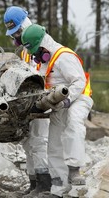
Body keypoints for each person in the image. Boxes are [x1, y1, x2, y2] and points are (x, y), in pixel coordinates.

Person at [21, 24, 93, 197]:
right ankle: (58, 188)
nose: (36, 57)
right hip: (59, 101)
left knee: (74, 122)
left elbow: (79, 82)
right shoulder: (42, 61)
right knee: (54, 144)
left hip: (78, 97)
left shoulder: (64, 56)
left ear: (43, 44)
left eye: (37, 52)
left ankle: (74, 169)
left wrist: (68, 100)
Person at [3, 6, 52, 197]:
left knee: (39, 142)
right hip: (29, 102)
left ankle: (45, 185)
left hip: (43, 101)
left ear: (24, 24)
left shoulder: (41, 43)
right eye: (13, 34)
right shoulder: (25, 49)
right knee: (28, 142)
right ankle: (34, 183)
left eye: (16, 32)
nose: (15, 37)